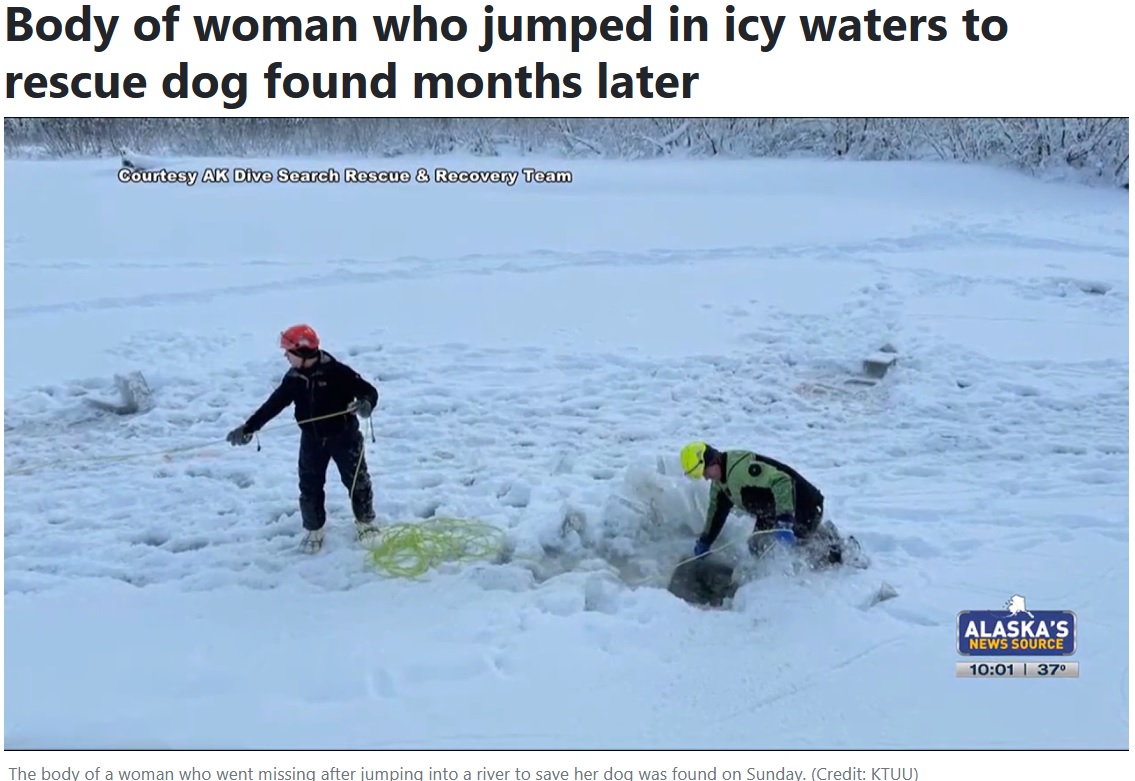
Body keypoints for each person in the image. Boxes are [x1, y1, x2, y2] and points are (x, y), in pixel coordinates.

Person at [226, 324, 381, 553]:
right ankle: (314, 528)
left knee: (358, 482)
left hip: (345, 438)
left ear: (302, 352)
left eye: (288, 352)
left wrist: (366, 404)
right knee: (309, 486)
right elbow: (274, 404)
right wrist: (250, 427)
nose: (285, 356)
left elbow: (368, 391)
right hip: (312, 440)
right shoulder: (294, 378)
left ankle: (365, 522)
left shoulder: (337, 372)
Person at [678, 441, 862, 569]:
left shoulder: (741, 470)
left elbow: (782, 481)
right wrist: (705, 541)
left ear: (712, 460)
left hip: (804, 505)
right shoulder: (719, 483)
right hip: (770, 513)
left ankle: (838, 548)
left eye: (704, 472)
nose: (705, 477)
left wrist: (784, 523)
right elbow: (716, 512)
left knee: (802, 547)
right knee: (758, 546)